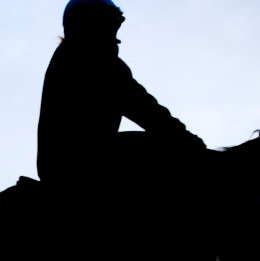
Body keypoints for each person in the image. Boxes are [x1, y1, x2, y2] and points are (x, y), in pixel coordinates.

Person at [37, 0, 206, 195]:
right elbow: (147, 111)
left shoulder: (70, 55)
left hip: (63, 166)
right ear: (92, 22)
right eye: (114, 19)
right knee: (161, 151)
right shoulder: (93, 59)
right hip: (79, 166)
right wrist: (189, 142)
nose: (118, 26)